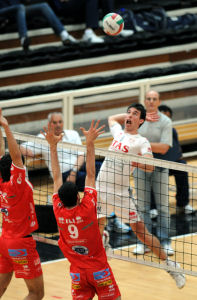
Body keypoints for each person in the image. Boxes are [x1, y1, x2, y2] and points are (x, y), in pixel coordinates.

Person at [95, 103, 186, 289]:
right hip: (102, 188)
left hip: (121, 194)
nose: (128, 116)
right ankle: (104, 243)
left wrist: (135, 161)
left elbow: (150, 165)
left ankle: (171, 266)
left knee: (142, 233)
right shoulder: (119, 133)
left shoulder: (141, 141)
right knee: (97, 226)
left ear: (141, 121)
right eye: (128, 113)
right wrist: (130, 115)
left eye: (134, 114)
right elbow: (112, 119)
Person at [42, 119, 122, 299]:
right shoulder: (86, 208)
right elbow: (91, 174)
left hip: (77, 273)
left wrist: (52, 147)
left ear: (59, 200)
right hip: (98, 270)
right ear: (78, 197)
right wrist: (90, 143)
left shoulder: (58, 210)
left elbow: (56, 178)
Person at [0, 108, 44, 299]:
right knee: (36, 293)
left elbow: (3, 155)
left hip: (4, 241)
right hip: (21, 243)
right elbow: (15, 156)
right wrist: (5, 126)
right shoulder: (17, 186)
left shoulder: (2, 184)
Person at [133, 90, 173, 256]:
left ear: (158, 101)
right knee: (142, 207)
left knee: (163, 207)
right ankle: (145, 242)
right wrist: (146, 145)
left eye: (154, 99)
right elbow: (130, 143)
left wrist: (142, 143)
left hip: (160, 167)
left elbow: (164, 148)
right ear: (144, 101)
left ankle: (165, 242)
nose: (151, 101)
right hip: (139, 167)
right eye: (148, 99)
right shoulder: (137, 119)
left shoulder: (165, 121)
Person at [20, 112, 85, 193]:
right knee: (90, 179)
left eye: (60, 122)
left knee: (99, 167)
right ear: (49, 124)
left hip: (78, 167)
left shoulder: (73, 134)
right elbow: (22, 147)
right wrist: (26, 151)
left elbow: (81, 155)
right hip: (62, 175)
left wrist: (73, 172)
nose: (58, 125)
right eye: (54, 122)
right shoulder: (43, 138)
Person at [150, 104, 195, 215]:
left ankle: (183, 204)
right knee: (148, 172)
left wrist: (178, 160)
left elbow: (177, 150)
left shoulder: (173, 131)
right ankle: (152, 208)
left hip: (171, 165)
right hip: (154, 166)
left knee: (182, 168)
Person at [1, 0, 76, 52]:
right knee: (20, 7)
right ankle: (24, 39)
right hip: (5, 12)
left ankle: (64, 35)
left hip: (19, 11)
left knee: (43, 6)